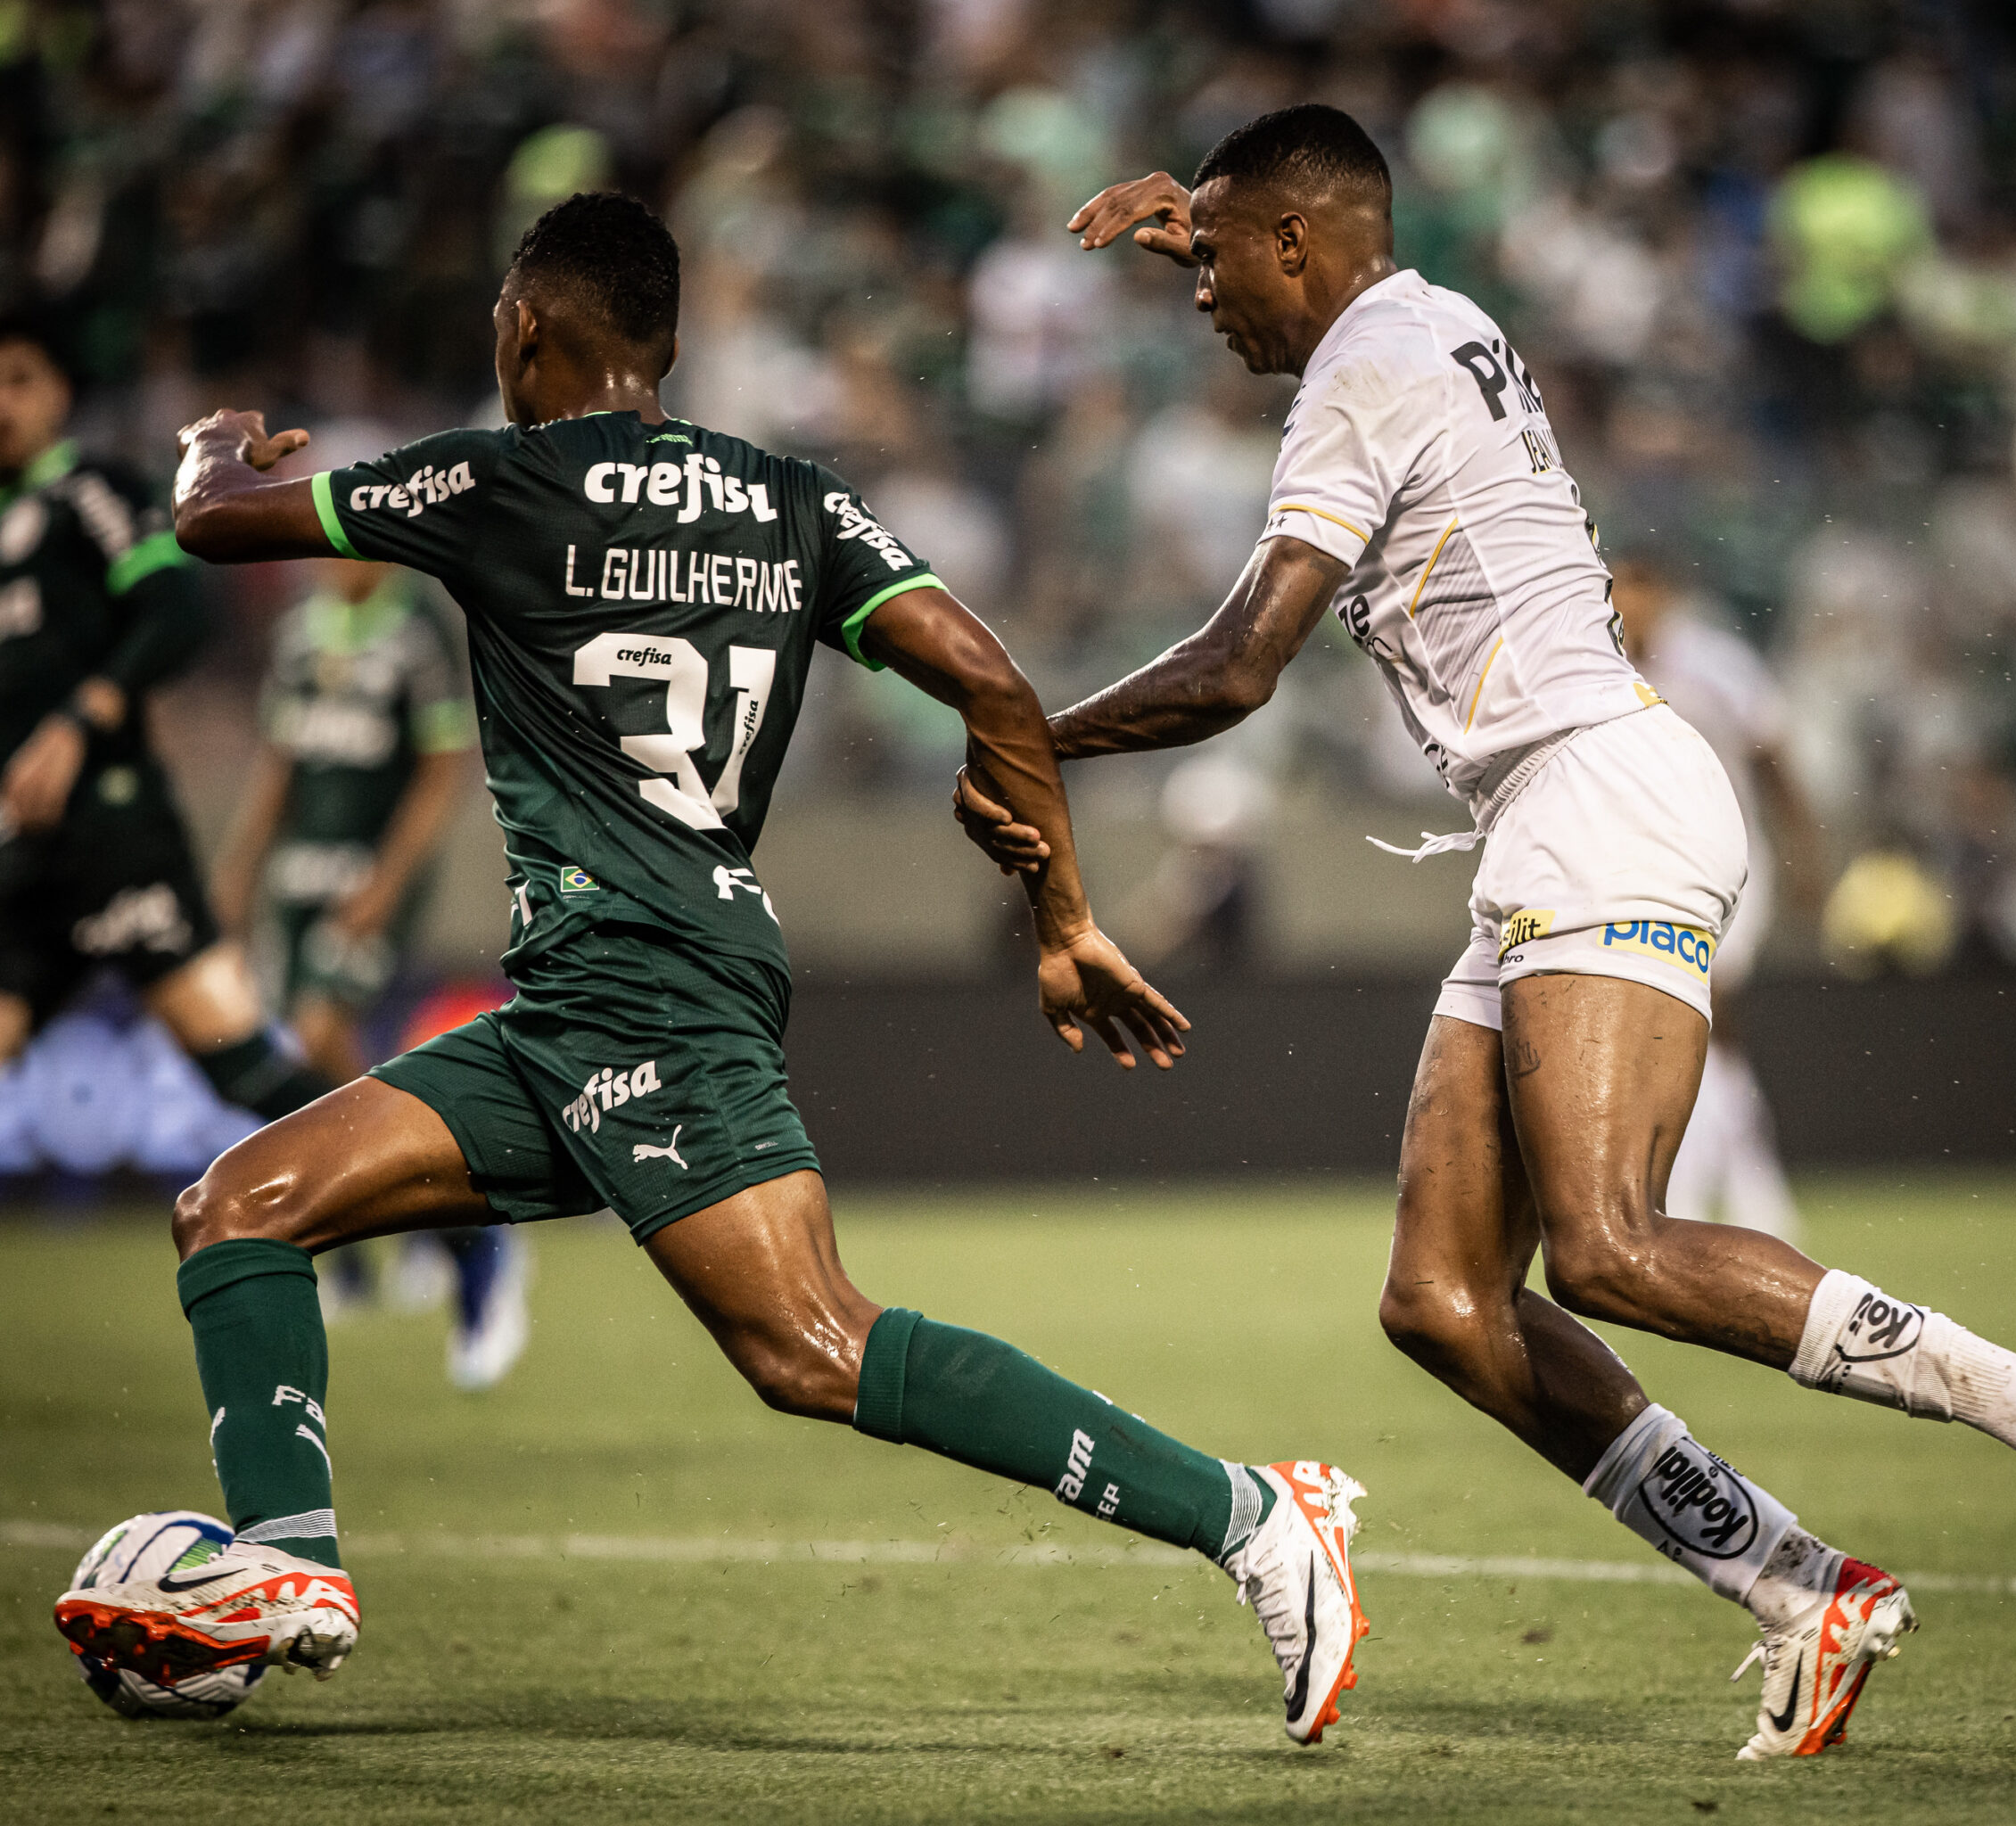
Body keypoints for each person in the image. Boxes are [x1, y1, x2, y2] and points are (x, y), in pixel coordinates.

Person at [53, 193, 1370, 1748]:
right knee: (242, 1203)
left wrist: (219, 446)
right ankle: (292, 1564)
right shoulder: (792, 501)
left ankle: (1253, 1513)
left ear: (525, 333)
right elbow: (994, 681)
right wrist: (1064, 915)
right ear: (665, 348)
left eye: (499, 330)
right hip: (585, 999)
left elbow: (208, 523)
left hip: (653, 986)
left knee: (808, 1340)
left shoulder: (495, 478)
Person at [956, 105, 2016, 1759]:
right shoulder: (1426, 312)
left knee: (1608, 1243)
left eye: (1222, 259)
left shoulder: (1359, 370)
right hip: (1551, 811)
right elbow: (1316, 255)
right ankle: (1797, 1585)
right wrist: (1215, 226)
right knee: (1446, 1297)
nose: (1197, 295)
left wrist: (1025, 728)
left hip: (1599, 794)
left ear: (1299, 246)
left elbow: (1242, 663)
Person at [0, 317, 333, 1131]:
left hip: (117, 836)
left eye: (19, 380)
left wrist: (80, 717)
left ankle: (452, 1227)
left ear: (60, 394)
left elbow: (179, 607)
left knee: (244, 1069)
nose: (0, 403)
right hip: (23, 856)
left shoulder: (89, 490)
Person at [209, 547, 528, 1388]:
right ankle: (378, 1236)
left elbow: (441, 765)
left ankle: (463, 1234)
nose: (316, 561)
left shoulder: (415, 625)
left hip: (368, 872)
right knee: (308, 1054)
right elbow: (281, 758)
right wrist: (241, 865)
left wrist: (389, 880)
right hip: (298, 876)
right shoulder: (299, 632)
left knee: (321, 1031)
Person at [1608, 549, 1816, 1244]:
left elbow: (1772, 756)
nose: (1629, 601)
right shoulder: (1594, 664)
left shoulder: (1716, 665)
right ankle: (1747, 1185)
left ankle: (1711, 1193)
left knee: (1710, 1011)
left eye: (1640, 586)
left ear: (1664, 592)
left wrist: (1805, 853)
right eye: (1619, 587)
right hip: (1643, 872)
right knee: (1681, 1028)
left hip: (1733, 864)